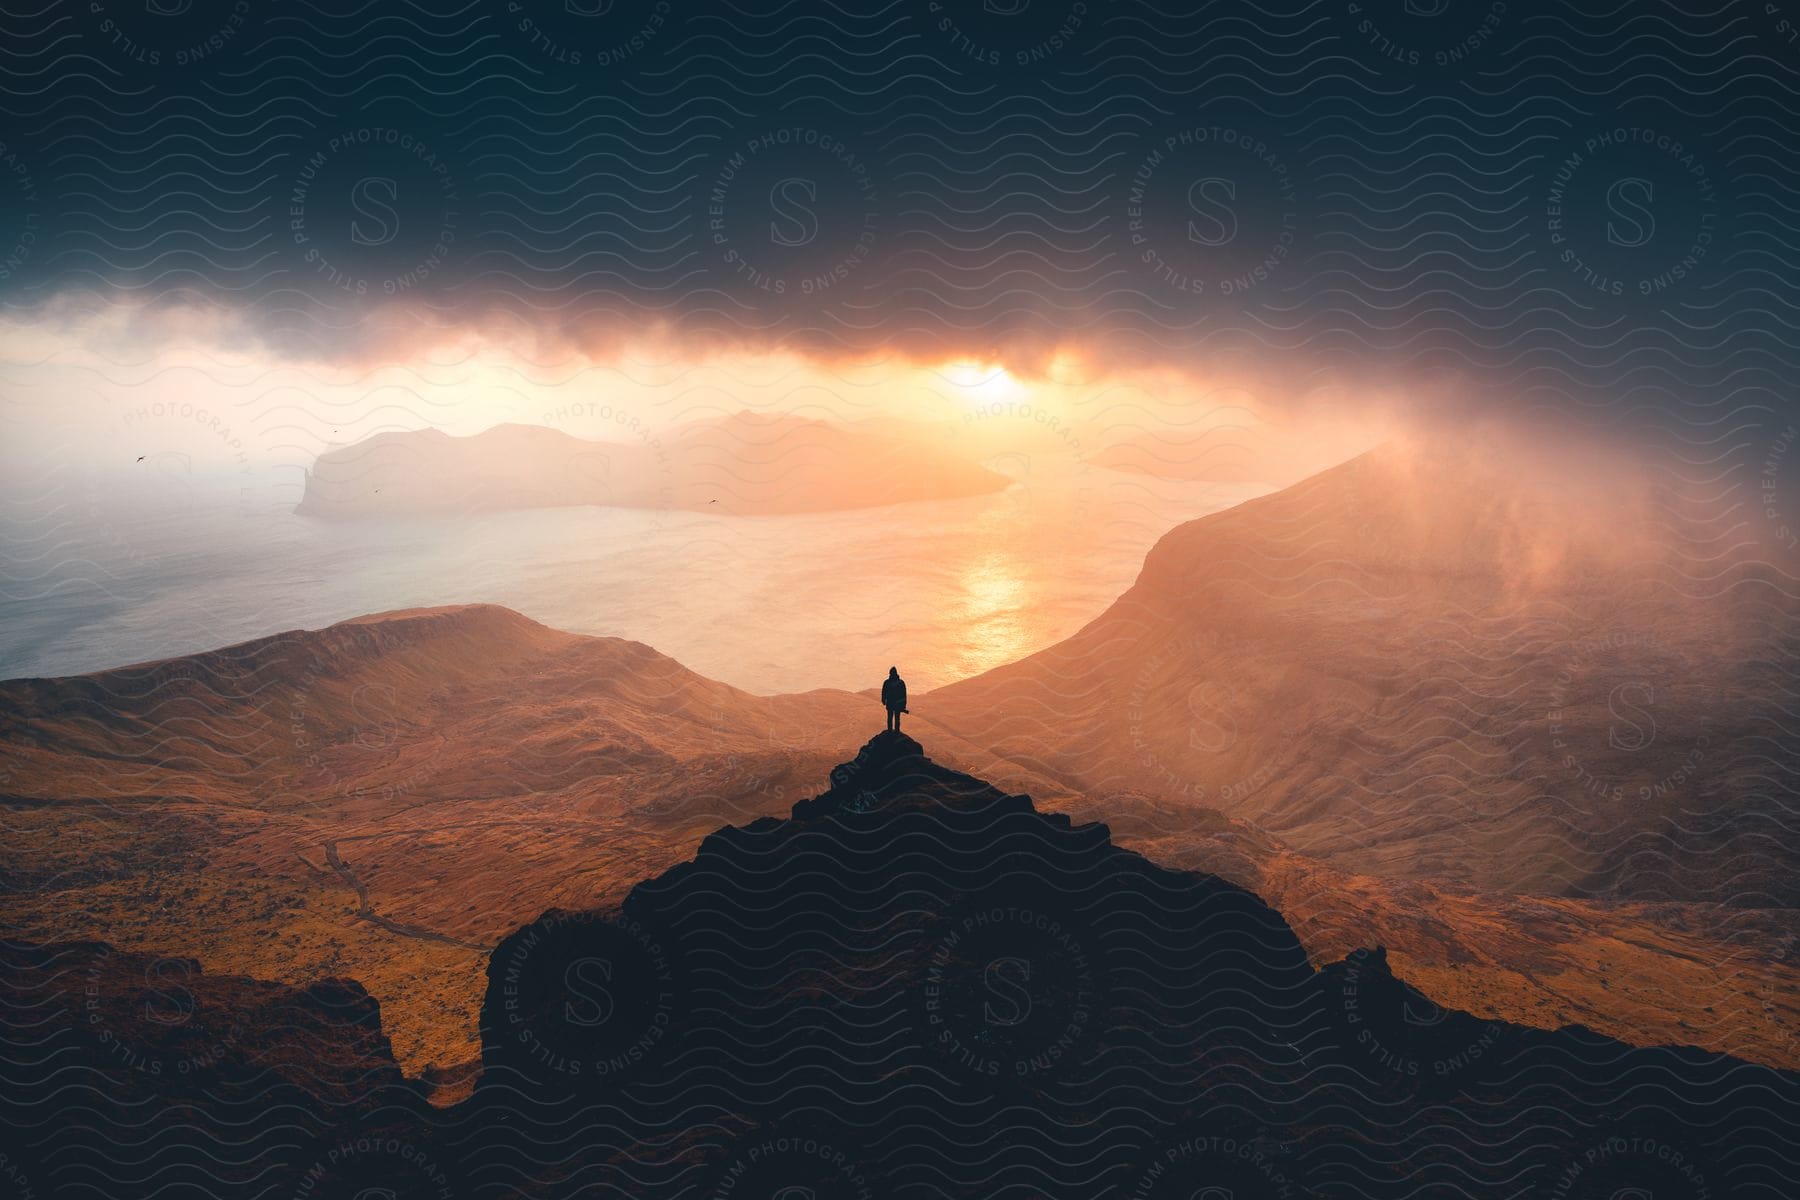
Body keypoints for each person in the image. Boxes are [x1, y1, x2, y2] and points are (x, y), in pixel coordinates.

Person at [881, 666, 907, 731]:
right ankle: (896, 731)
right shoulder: (901, 683)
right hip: (895, 704)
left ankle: (892, 731)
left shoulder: (887, 682)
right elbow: (904, 695)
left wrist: (883, 700)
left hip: (891, 703)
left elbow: (884, 692)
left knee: (891, 718)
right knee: (895, 718)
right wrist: (903, 705)